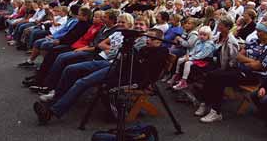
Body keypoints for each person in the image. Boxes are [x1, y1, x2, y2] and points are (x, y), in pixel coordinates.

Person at [33, 28, 168, 124]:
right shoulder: (145, 48)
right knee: (72, 69)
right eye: (147, 37)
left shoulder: (161, 52)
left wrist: (131, 56)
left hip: (129, 76)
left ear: (159, 40)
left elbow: (142, 70)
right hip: (115, 66)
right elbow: (128, 60)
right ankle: (58, 100)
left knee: (82, 82)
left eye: (151, 38)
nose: (147, 40)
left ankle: (52, 113)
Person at [195, 21, 267, 123]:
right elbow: (238, 56)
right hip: (240, 70)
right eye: (257, 31)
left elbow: (258, 66)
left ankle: (216, 112)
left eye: (260, 31)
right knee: (212, 74)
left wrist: (249, 62)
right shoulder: (254, 41)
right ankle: (205, 103)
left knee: (219, 78)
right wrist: (252, 61)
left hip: (254, 77)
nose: (257, 33)